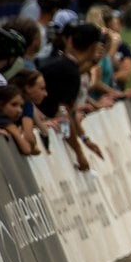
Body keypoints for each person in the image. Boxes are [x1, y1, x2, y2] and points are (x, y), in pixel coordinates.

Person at [36, 22, 105, 171]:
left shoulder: (56, 63)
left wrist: (85, 139)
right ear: (93, 47)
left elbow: (68, 113)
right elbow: (64, 116)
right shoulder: (70, 73)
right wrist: (79, 153)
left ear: (70, 40)